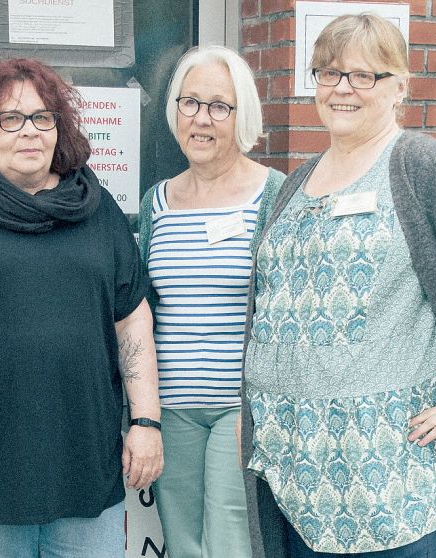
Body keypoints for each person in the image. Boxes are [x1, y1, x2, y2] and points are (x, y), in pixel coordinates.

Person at [238, 14, 436, 558]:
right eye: (330, 72)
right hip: (294, 479)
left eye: (365, 75)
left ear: (400, 87)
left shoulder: (416, 166)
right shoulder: (296, 182)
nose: (342, 88)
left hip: (386, 487)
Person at [0, 58, 163, 558]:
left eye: (43, 118)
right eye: (9, 118)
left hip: (85, 470)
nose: (30, 131)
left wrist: (146, 422)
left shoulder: (95, 206)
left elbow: (131, 320)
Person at [136, 45, 285, 558]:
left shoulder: (275, 196)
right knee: (181, 541)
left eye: (218, 106)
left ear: (242, 115)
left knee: (228, 541)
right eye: (190, 102)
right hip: (171, 407)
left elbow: (285, 314)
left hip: (237, 406)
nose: (201, 119)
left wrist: (262, 402)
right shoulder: (155, 202)